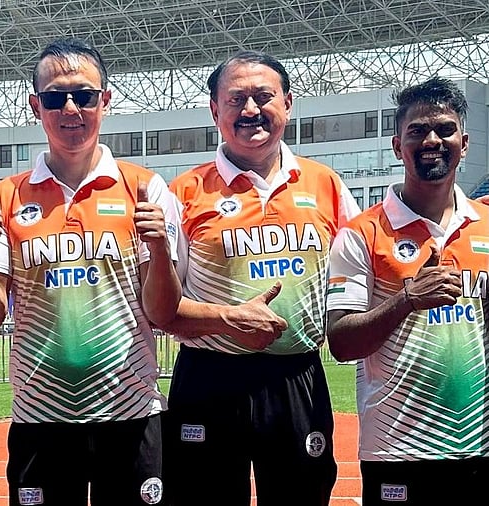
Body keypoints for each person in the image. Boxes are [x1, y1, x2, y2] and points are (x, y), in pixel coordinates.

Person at [0, 37, 182, 506]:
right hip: (40, 417)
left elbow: (163, 313)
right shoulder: (4, 197)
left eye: (84, 95)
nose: (70, 108)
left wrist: (161, 249)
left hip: (131, 414)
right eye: (54, 97)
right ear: (35, 106)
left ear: (105, 100)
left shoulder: (145, 189)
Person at [160, 50, 359, 505]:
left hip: (296, 378)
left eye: (263, 96)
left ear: (288, 103)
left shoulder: (326, 185)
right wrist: (227, 320)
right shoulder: (183, 193)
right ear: (215, 111)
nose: (250, 110)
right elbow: (163, 311)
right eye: (236, 100)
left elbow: (356, 286)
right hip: (209, 379)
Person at [326, 77, 489, 504]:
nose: (432, 139)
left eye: (444, 129)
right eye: (417, 130)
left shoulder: (487, 226)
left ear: (465, 143)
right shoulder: (361, 234)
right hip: (397, 449)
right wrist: (407, 300)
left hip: (479, 443)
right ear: (398, 146)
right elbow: (342, 342)